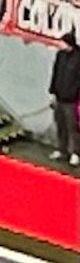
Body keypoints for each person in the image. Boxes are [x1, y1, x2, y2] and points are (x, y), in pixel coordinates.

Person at [49, 31, 80, 167]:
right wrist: (53, 92)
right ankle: (62, 150)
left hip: (71, 100)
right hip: (59, 97)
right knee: (60, 125)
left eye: (62, 42)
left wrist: (75, 94)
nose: (59, 44)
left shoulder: (78, 58)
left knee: (72, 127)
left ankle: (75, 153)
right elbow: (55, 73)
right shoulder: (60, 55)